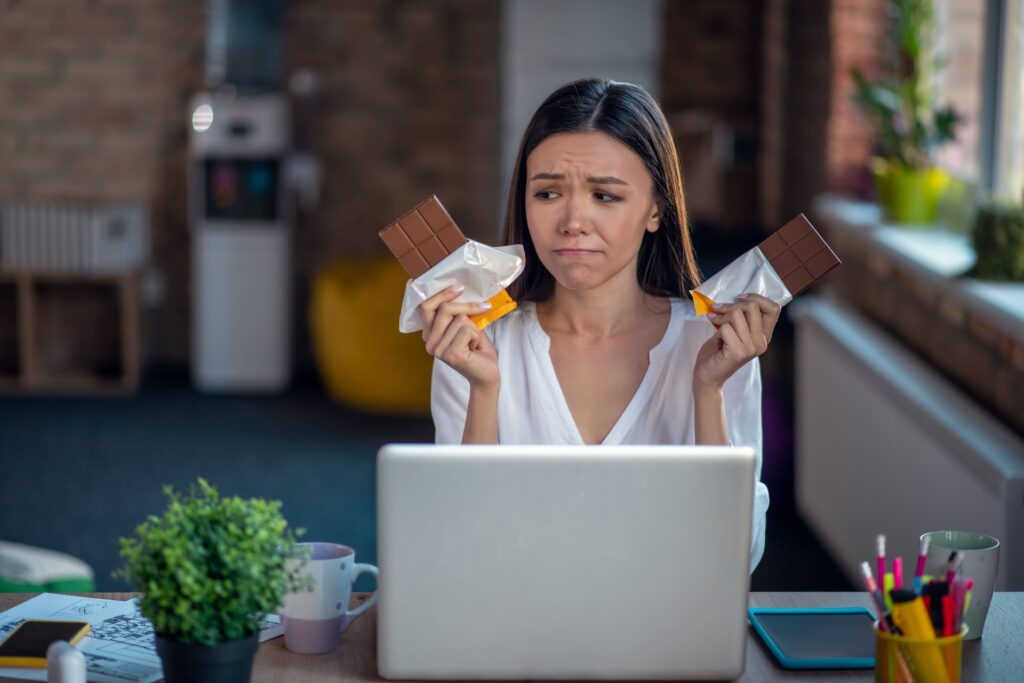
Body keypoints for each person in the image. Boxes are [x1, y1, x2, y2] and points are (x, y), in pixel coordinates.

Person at [420, 78, 777, 572]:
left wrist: (708, 390)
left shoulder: (713, 345)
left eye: (605, 197)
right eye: (547, 193)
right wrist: (484, 390)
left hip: (663, 637)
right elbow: (463, 550)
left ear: (656, 210)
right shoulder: (476, 347)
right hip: (516, 634)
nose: (572, 221)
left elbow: (735, 556)